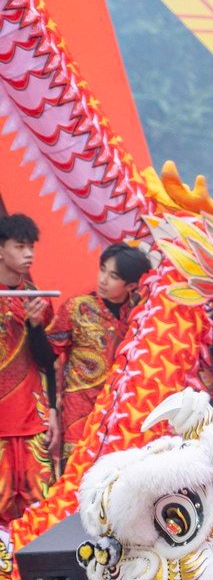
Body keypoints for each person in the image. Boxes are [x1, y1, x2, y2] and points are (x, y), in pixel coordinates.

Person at [48, 242, 153, 469]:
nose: (103, 279)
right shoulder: (77, 308)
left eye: (113, 276)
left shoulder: (142, 316)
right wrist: (51, 408)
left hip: (122, 415)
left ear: (131, 285)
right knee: (75, 481)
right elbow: (47, 357)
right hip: (78, 414)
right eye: (102, 269)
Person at [0, 213, 54, 520]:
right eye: (20, 246)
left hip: (32, 420)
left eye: (31, 246)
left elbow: (47, 360)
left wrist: (35, 324)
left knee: (40, 507)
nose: (29, 253)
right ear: (1, 250)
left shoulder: (37, 298)